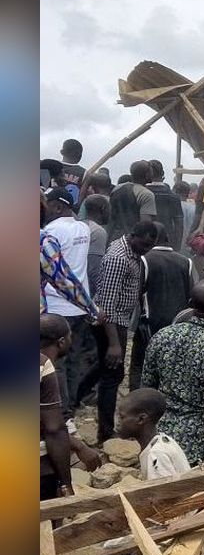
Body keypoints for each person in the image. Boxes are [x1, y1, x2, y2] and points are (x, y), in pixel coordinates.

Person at [141, 278, 204, 465]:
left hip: (161, 443)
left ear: (190, 306)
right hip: (202, 448)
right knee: (201, 495)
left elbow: (146, 391)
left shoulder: (162, 336)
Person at [91, 221, 157, 442]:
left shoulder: (133, 253)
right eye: (144, 244)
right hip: (112, 322)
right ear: (133, 236)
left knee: (101, 370)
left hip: (120, 320)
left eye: (150, 246)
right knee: (112, 376)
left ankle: (75, 402)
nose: (146, 250)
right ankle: (106, 432)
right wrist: (114, 344)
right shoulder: (118, 259)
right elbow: (106, 306)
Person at [42, 187, 94, 411]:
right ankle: (70, 405)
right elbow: (65, 277)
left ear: (56, 206)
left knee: (53, 363)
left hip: (54, 307)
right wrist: (91, 308)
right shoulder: (84, 228)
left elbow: (60, 277)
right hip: (77, 304)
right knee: (73, 358)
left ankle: (58, 407)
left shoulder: (50, 232)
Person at [128, 222, 194, 390]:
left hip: (149, 325)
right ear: (168, 238)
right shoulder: (186, 261)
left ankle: (138, 403)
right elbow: (191, 295)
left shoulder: (144, 259)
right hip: (179, 326)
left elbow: (137, 294)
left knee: (139, 366)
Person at [115, 388, 190, 480]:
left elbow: (164, 492)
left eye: (122, 417)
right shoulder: (164, 440)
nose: (117, 422)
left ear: (141, 419)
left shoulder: (156, 454)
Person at [40, 315, 76, 500]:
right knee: (45, 526)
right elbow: (54, 430)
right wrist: (66, 484)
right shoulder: (43, 366)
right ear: (61, 342)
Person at [108, 160, 158, 242]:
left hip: (113, 238)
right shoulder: (146, 194)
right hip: (132, 242)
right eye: (151, 172)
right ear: (147, 174)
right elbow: (145, 225)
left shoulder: (117, 188)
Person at [145, 161, 185, 250]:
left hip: (143, 242)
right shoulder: (173, 196)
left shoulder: (140, 194)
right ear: (162, 174)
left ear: (146, 175)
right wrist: (177, 248)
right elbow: (179, 224)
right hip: (166, 242)